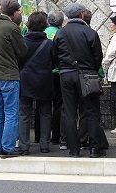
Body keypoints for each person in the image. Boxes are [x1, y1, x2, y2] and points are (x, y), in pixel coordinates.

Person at [53, 2, 104, 158]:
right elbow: (98, 57)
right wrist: (91, 68)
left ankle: (73, 149)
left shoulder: (60, 33)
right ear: (82, 14)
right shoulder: (90, 33)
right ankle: (95, 148)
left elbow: (55, 55)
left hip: (66, 75)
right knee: (92, 112)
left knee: (69, 112)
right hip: (87, 75)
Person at [0, 0, 28, 158]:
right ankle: (8, 148)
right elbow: (23, 51)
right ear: (13, 13)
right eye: (19, 11)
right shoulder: (12, 28)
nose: (20, 13)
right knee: (11, 112)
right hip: (9, 76)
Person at [19, 11, 56, 155]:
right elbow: (55, 62)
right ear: (45, 25)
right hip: (44, 81)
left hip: (25, 80)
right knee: (45, 113)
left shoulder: (22, 41)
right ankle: (44, 144)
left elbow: (18, 61)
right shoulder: (49, 44)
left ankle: (24, 146)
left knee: (24, 113)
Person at [44, 10, 64, 146]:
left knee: (43, 105)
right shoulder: (62, 33)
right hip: (59, 73)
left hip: (44, 73)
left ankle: (41, 136)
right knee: (59, 105)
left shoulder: (43, 33)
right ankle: (56, 136)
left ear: (47, 21)